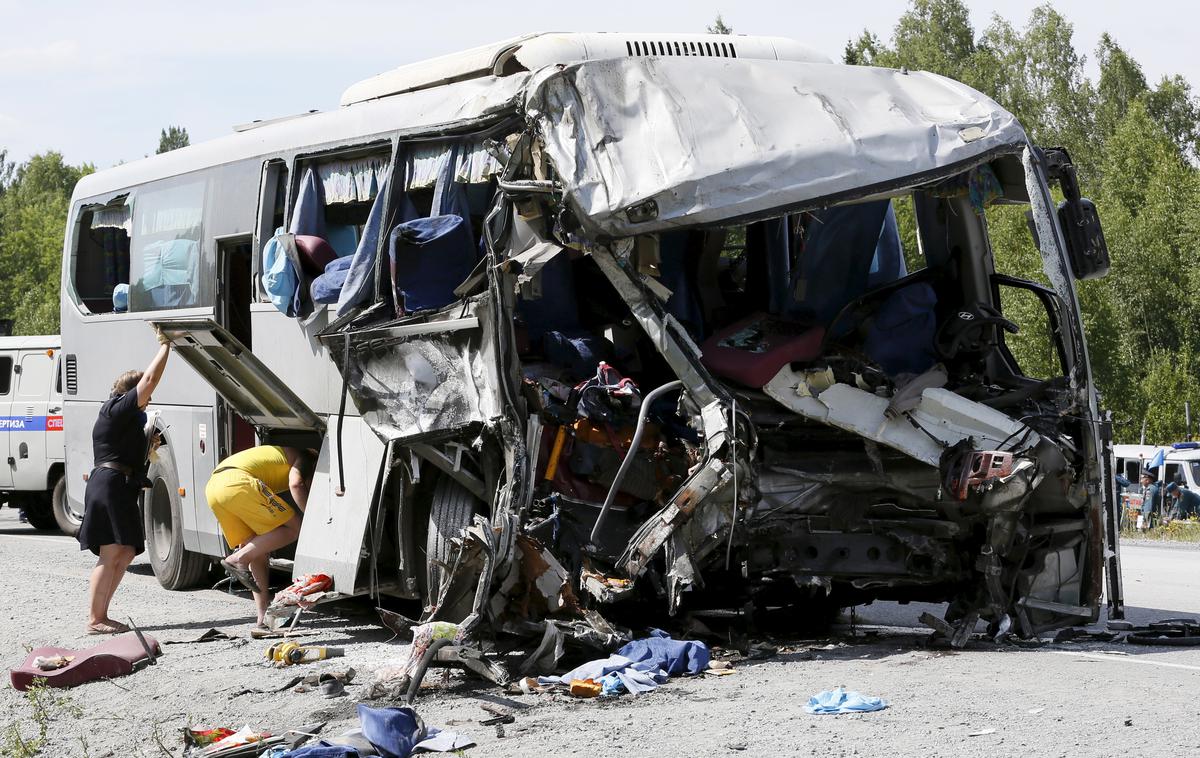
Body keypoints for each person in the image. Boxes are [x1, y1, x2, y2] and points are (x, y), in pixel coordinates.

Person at [77, 329, 171, 634]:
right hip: (109, 484)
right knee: (111, 551)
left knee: (127, 550)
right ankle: (96, 618)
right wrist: (166, 345)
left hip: (119, 484)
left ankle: (101, 613)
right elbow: (150, 381)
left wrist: (147, 446)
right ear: (131, 394)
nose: (147, 402)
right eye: (144, 399)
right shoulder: (116, 408)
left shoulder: (124, 417)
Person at [205, 445, 314, 629]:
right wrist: (312, 518)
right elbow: (296, 483)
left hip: (214, 488)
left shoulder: (281, 455)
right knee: (295, 528)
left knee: (256, 550)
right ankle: (238, 558)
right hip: (238, 482)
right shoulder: (308, 455)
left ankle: (263, 617)